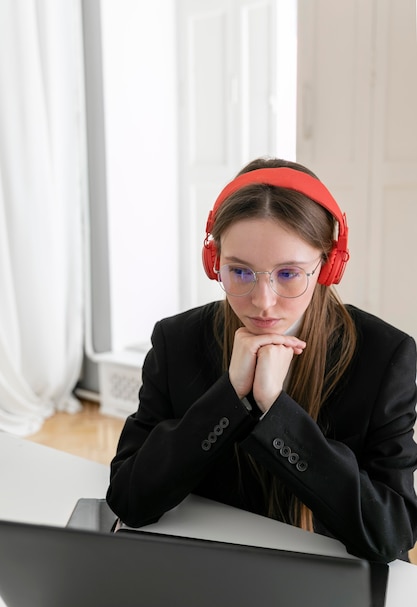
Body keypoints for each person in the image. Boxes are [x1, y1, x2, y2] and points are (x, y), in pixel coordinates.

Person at [106, 157, 417, 563]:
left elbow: (390, 534)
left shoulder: (384, 356)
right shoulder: (176, 340)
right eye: (240, 272)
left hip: (323, 580)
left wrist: (277, 410)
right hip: (208, 569)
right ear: (214, 262)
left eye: (289, 274)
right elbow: (129, 498)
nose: (263, 302)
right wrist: (228, 395)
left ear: (328, 266)